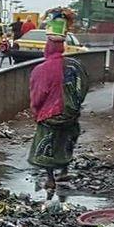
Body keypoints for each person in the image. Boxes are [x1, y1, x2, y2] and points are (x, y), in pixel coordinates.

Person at [28, 37, 88, 189]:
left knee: (48, 142)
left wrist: (35, 109)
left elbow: (38, 94)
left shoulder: (41, 69)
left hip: (50, 114)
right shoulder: (74, 65)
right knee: (66, 139)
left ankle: (50, 179)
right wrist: (75, 105)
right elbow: (84, 86)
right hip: (71, 113)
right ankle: (64, 170)